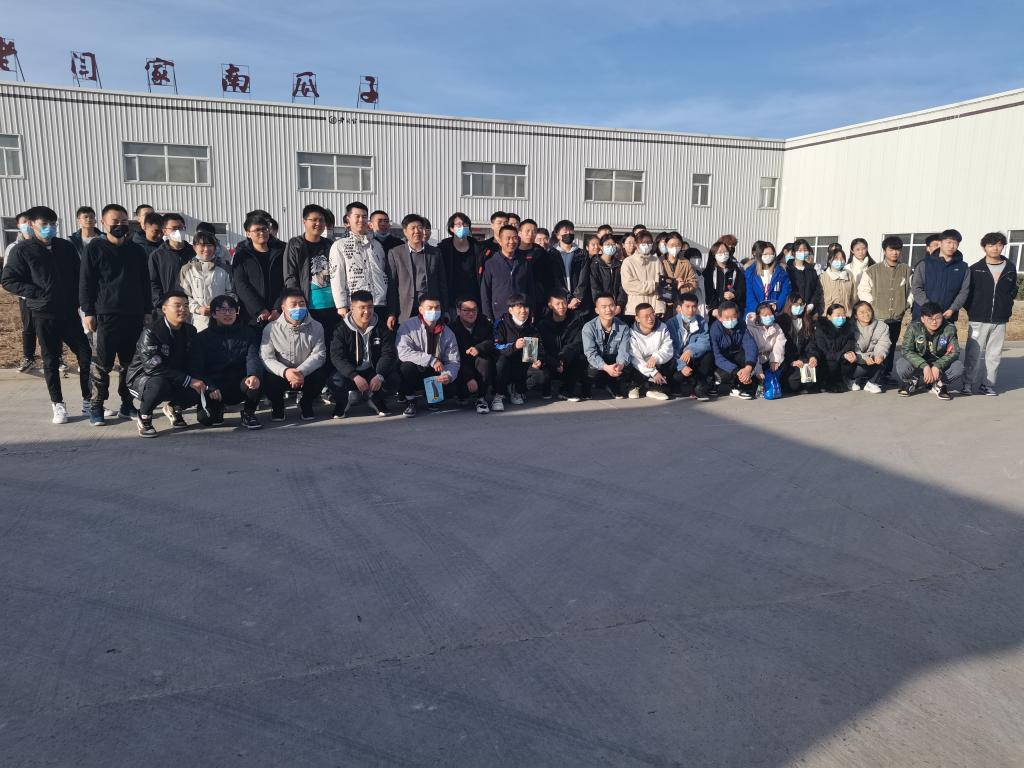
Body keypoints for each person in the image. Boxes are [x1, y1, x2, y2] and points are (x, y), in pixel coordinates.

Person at [1, 206, 93, 423]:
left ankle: (89, 402)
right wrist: (36, 292)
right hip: (44, 313)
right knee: (51, 360)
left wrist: (82, 302)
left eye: (53, 224)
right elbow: (8, 280)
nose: (49, 228)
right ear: (32, 225)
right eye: (44, 224)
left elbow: (79, 275)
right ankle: (58, 404)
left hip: (69, 312)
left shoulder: (65, 247)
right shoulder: (22, 250)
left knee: (86, 355)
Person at [80, 203, 152, 424]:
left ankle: (127, 404)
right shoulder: (95, 248)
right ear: (104, 223)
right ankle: (96, 406)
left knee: (130, 364)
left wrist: (147, 310)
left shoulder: (136, 250)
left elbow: (145, 283)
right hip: (105, 315)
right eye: (115, 221)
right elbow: (86, 282)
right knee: (102, 365)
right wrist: (89, 311)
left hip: (133, 315)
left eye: (124, 221)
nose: (120, 225)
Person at [125, 290, 205, 437]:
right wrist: (188, 380)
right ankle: (144, 417)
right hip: (144, 378)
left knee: (200, 386)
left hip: (174, 376)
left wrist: (199, 381)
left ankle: (174, 408)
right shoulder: (151, 332)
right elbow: (152, 368)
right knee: (159, 385)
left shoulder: (191, 331)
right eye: (177, 305)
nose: (183, 309)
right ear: (164, 309)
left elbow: (195, 361)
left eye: (186, 305)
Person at [188, 294, 263, 429]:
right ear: (213, 314)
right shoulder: (201, 338)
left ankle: (248, 412)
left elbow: (253, 357)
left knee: (256, 380)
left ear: (237, 311)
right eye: (222, 310)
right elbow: (197, 368)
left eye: (231, 309)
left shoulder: (248, 333)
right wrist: (210, 386)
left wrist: (253, 375)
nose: (228, 313)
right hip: (216, 387)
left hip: (241, 382)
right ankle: (218, 409)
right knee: (206, 419)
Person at [962, 232, 1018, 395]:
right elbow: (967, 293)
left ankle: (988, 384)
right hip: (978, 319)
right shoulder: (975, 269)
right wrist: (973, 309)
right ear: (984, 247)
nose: (995, 248)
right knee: (973, 353)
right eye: (991, 245)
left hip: (1000, 319)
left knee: (994, 354)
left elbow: (1012, 291)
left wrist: (1006, 307)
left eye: (999, 245)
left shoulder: (1010, 268)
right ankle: (967, 383)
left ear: (1003, 246)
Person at [260, 288, 327, 421]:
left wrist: (300, 372)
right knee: (268, 377)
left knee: (320, 374)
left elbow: (319, 355)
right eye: (293, 304)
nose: (298, 308)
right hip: (282, 374)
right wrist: (285, 372)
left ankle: (306, 402)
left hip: (305, 374)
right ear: (283, 307)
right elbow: (267, 358)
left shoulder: (317, 326)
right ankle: (278, 406)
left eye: (302, 304)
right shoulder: (271, 328)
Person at [328, 289, 396, 418]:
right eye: (362, 307)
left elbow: (388, 353)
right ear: (352, 308)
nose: (367, 311)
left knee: (393, 378)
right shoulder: (340, 329)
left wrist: (379, 375)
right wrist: (354, 376)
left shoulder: (381, 327)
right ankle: (343, 402)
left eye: (370, 307)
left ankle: (375, 398)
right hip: (351, 373)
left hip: (372, 371)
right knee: (335, 380)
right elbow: (337, 357)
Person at [284, 204, 337, 359]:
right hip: (310, 306)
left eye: (321, 220)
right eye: (313, 220)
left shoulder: (329, 244)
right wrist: (297, 303)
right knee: (311, 348)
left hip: (332, 306)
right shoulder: (296, 244)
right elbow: (290, 276)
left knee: (331, 346)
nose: (318, 223)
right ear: (304, 221)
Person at [395, 294, 460, 417]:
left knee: (452, 389)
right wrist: (431, 360)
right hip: (415, 369)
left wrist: (448, 375)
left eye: (437, 307)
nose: (434, 311)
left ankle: (431, 398)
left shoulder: (447, 332)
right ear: (421, 310)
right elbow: (403, 352)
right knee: (406, 367)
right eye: (429, 308)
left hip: (434, 372)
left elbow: (453, 360)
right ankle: (410, 400)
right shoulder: (408, 326)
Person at [858, 235, 912, 382]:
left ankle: (886, 374)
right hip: (878, 317)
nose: (895, 253)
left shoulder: (906, 270)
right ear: (884, 251)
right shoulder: (873, 270)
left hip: (896, 317)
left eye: (898, 250)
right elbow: (863, 290)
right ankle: (871, 374)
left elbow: (912, 291)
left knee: (891, 345)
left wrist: (907, 304)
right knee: (874, 345)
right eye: (891, 249)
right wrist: (872, 306)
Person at [386, 214, 449, 329]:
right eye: (413, 228)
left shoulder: (435, 253)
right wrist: (392, 313)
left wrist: (445, 309)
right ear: (405, 231)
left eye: (420, 227)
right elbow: (392, 286)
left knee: (431, 337)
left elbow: (442, 283)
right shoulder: (395, 253)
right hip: (405, 308)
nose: (417, 231)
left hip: (430, 307)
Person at [329, 201, 389, 319]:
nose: (361, 220)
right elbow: (336, 277)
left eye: (364, 216)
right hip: (356, 305)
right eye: (357, 216)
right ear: (348, 219)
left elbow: (383, 271)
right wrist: (341, 305)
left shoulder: (377, 245)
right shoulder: (339, 245)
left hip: (379, 302)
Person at [896, 302, 963, 400]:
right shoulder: (914, 327)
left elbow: (954, 352)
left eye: (938, 318)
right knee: (902, 364)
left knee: (958, 367)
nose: (934, 322)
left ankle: (939, 384)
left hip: (939, 365)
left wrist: (937, 365)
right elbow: (906, 350)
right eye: (930, 319)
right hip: (919, 364)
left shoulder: (949, 329)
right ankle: (912, 381)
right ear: (923, 319)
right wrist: (924, 365)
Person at [232, 211, 285, 327]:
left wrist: (277, 308)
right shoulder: (241, 256)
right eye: (257, 230)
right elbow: (241, 285)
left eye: (264, 229)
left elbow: (285, 281)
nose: (262, 233)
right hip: (252, 315)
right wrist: (259, 309)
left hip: (278, 313)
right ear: (248, 234)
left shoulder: (281, 253)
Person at [535, 290, 587, 401]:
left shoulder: (576, 320)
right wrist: (554, 361)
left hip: (567, 359)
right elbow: (539, 347)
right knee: (541, 370)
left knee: (581, 358)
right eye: (557, 304)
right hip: (550, 361)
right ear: (550, 305)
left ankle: (566, 391)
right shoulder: (542, 324)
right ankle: (546, 388)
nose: (561, 306)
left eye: (564, 303)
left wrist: (563, 356)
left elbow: (578, 342)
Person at [493, 293, 542, 410]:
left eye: (526, 307)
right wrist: (515, 346)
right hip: (505, 361)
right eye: (519, 307)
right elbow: (496, 347)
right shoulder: (501, 324)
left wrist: (537, 360)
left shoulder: (531, 328)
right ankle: (498, 395)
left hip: (521, 363)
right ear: (510, 310)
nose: (523, 311)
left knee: (539, 374)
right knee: (501, 363)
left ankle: (517, 390)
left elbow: (533, 353)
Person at [480, 225, 537, 323]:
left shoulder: (524, 262)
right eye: (508, 238)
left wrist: (532, 311)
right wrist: (487, 316)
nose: (512, 241)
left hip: (520, 313)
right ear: (500, 241)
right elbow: (485, 291)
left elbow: (530, 289)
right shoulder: (491, 263)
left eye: (515, 238)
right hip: (499, 313)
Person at [911, 228, 970, 321]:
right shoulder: (924, 264)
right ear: (941, 243)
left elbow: (964, 291)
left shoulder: (963, 267)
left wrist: (952, 309)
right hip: (923, 314)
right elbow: (916, 288)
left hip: (947, 315)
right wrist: (929, 308)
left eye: (955, 243)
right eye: (949, 242)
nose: (952, 246)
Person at [5, 212, 39, 372]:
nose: (28, 224)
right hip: (27, 296)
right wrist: (27, 291)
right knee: (29, 327)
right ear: (18, 225)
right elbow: (9, 277)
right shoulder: (13, 248)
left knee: (51, 327)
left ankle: (58, 357)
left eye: (30, 221)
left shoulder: (43, 244)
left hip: (46, 295)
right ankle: (28, 358)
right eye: (24, 222)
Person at [449, 296, 496, 413]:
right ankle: (462, 394)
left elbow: (491, 341)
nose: (471, 313)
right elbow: (454, 357)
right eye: (466, 310)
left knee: (485, 360)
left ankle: (481, 398)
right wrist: (469, 378)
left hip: (480, 363)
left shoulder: (484, 323)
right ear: (458, 311)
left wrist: (479, 348)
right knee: (458, 391)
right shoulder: (452, 329)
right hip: (462, 366)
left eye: (474, 310)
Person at [179, 231, 233, 331]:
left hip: (222, 318)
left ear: (215, 247)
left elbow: (232, 292)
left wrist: (221, 307)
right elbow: (185, 296)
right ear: (194, 247)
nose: (206, 249)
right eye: (202, 245)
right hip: (198, 321)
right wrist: (198, 309)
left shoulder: (225, 267)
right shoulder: (187, 269)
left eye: (209, 245)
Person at [664, 292, 714, 400]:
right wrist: (682, 365)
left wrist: (690, 350)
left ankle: (699, 387)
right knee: (677, 376)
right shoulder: (671, 323)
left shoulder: (701, 321)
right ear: (679, 308)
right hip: (677, 360)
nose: (691, 310)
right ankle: (674, 385)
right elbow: (669, 348)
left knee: (708, 355)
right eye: (687, 306)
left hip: (692, 356)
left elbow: (705, 341)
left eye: (694, 306)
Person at [582, 292, 632, 399]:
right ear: (597, 310)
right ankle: (587, 386)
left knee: (625, 365)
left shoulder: (623, 327)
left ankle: (612, 385)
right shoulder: (588, 327)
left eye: (611, 305)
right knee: (592, 367)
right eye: (604, 307)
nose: (608, 309)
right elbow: (590, 353)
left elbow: (624, 351)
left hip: (613, 359)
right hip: (596, 361)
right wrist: (605, 367)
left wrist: (620, 365)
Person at [709, 300, 757, 399]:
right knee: (723, 374)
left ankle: (738, 386)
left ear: (738, 315)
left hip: (736, 356)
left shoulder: (741, 324)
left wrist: (748, 367)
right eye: (727, 317)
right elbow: (717, 356)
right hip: (721, 362)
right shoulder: (715, 329)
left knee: (747, 357)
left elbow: (750, 345)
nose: (731, 320)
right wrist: (736, 371)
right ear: (720, 317)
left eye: (733, 316)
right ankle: (715, 382)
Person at [626, 303, 673, 400]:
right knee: (630, 363)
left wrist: (656, 357)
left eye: (652, 314)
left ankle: (652, 389)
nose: (650, 318)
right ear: (637, 318)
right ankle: (635, 386)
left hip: (657, 362)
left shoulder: (662, 327)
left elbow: (667, 348)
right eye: (646, 316)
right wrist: (653, 372)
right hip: (641, 365)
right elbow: (635, 358)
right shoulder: (632, 333)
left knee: (670, 363)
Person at [149, 213, 195, 309]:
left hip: (192, 305)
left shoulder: (194, 252)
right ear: (165, 231)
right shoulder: (157, 255)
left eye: (181, 228)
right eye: (174, 228)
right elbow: (153, 282)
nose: (178, 231)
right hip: (169, 306)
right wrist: (160, 303)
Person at [440, 212, 482, 312]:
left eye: (465, 224)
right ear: (451, 228)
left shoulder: (477, 247)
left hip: (474, 298)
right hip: (451, 299)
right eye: (458, 224)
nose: (462, 227)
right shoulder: (443, 248)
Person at [544, 219, 589, 313]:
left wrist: (577, 297)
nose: (568, 234)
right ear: (558, 235)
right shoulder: (551, 254)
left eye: (571, 231)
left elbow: (583, 277)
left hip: (578, 301)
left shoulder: (582, 254)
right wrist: (568, 297)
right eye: (565, 232)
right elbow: (555, 279)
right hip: (559, 300)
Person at [778, 294, 819, 394]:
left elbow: (811, 343)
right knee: (793, 384)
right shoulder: (781, 321)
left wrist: (813, 356)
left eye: (801, 304)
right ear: (789, 305)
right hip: (786, 361)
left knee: (812, 378)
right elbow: (781, 347)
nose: (799, 307)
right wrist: (792, 361)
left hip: (802, 358)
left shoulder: (807, 321)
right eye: (796, 304)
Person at [621, 230, 664, 320]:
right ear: (636, 244)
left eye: (649, 242)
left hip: (655, 309)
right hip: (635, 310)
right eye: (643, 243)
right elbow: (629, 285)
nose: (647, 245)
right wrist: (652, 285)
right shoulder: (628, 262)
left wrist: (661, 307)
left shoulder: (656, 261)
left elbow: (661, 283)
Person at [848, 300, 890, 393]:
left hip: (872, 357)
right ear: (855, 315)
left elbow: (883, 343)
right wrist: (864, 358)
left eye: (868, 311)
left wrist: (880, 355)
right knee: (860, 368)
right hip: (856, 359)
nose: (866, 314)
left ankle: (871, 383)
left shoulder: (882, 326)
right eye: (861, 312)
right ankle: (851, 380)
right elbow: (852, 346)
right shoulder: (850, 327)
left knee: (883, 358)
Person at [745, 301, 787, 392]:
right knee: (752, 384)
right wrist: (758, 370)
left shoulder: (776, 327)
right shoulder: (750, 328)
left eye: (770, 314)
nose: (768, 317)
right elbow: (751, 351)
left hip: (769, 359)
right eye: (764, 315)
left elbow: (779, 344)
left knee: (782, 364)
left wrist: (775, 360)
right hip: (755, 361)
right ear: (758, 316)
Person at [814, 303, 856, 393]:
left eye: (843, 315)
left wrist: (849, 354)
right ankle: (826, 383)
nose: (841, 318)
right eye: (838, 315)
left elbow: (849, 345)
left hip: (842, 360)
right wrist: (841, 355)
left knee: (852, 361)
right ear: (829, 317)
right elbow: (823, 351)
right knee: (832, 365)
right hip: (825, 361)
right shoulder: (821, 329)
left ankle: (848, 380)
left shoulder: (849, 329)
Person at [744, 241, 791, 314]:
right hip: (755, 313)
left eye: (771, 254)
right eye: (765, 254)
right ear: (759, 255)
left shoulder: (781, 273)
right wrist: (759, 310)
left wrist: (777, 306)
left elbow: (785, 292)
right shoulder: (750, 273)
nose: (768, 256)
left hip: (775, 313)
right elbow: (749, 295)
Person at [658, 232, 698, 317]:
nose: (675, 248)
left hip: (680, 304)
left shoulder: (686, 262)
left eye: (678, 245)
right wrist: (674, 286)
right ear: (666, 244)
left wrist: (682, 288)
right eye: (672, 245)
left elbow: (694, 283)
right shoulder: (659, 261)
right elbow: (656, 282)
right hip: (663, 304)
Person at [704, 240, 746, 322]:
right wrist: (713, 309)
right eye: (720, 252)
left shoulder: (736, 271)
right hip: (715, 313)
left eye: (725, 252)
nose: (723, 254)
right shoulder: (709, 272)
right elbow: (708, 293)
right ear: (714, 254)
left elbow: (742, 290)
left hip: (732, 311)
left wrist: (734, 295)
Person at [588, 235, 626, 314]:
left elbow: (622, 286)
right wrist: (602, 304)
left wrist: (619, 304)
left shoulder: (619, 265)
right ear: (601, 247)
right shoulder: (594, 265)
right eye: (608, 244)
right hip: (601, 307)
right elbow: (595, 287)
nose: (611, 246)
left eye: (613, 244)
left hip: (616, 307)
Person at [786, 239, 823, 317]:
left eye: (805, 250)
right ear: (793, 252)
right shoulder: (787, 269)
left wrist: (811, 304)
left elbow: (817, 290)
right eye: (799, 250)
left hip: (807, 311)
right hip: (790, 311)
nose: (803, 252)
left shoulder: (812, 270)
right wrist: (792, 304)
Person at [819, 247, 857, 314]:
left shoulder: (849, 275)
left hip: (846, 314)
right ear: (830, 260)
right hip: (828, 315)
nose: (839, 261)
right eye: (836, 258)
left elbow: (854, 296)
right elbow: (819, 298)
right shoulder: (823, 277)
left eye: (842, 258)